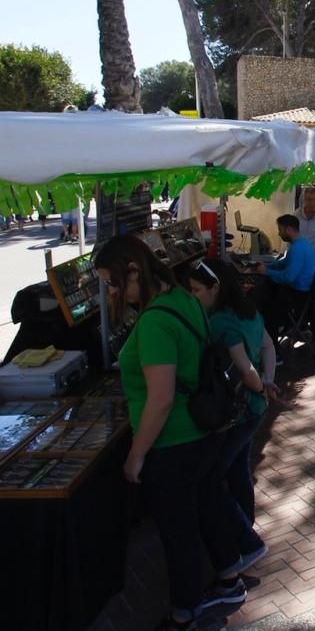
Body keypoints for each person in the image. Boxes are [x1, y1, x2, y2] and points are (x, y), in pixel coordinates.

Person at [94, 236, 258, 630]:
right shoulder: (185, 299)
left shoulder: (153, 322)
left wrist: (137, 454)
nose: (113, 291)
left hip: (172, 444)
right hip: (201, 432)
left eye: (113, 282)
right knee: (207, 508)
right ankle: (229, 578)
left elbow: (161, 398)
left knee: (178, 532)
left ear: (133, 270)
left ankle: (184, 612)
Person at [187, 259, 279, 545]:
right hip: (254, 409)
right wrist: (268, 380)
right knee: (239, 468)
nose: (193, 296)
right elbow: (267, 346)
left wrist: (260, 386)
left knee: (214, 476)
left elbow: (243, 368)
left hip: (240, 410)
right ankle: (244, 524)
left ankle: (241, 535)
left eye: (196, 290)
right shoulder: (249, 312)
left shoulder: (220, 322)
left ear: (216, 288)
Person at [255, 214, 315, 344]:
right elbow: (284, 262)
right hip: (298, 291)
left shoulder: (297, 248)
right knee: (266, 292)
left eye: (280, 230)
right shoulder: (300, 242)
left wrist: (267, 271)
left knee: (267, 310)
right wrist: (268, 267)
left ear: (288, 230)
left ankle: (274, 351)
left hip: (299, 296)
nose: (278, 233)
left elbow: (289, 277)